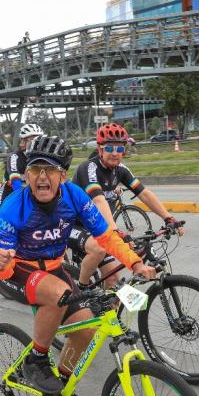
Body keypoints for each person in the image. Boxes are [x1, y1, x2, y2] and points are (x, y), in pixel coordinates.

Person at [0, 135, 155, 396]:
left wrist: (135, 263)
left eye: (50, 170)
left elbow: (106, 237)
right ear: (27, 175)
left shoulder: (74, 196)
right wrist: (1, 261)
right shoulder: (14, 205)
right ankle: (37, 359)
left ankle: (59, 390)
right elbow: (3, 256)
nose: (42, 177)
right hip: (17, 269)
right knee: (59, 294)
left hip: (53, 267)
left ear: (63, 175)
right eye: (35, 169)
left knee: (85, 329)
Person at [69, 123, 182, 289]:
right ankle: (82, 290)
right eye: (109, 148)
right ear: (100, 149)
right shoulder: (88, 168)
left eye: (120, 149)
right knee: (100, 249)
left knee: (113, 278)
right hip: (73, 224)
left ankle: (110, 314)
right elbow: (99, 200)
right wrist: (115, 232)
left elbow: (144, 193)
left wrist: (168, 217)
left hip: (96, 227)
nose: (115, 153)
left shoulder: (120, 169)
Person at [0, 123, 44, 209]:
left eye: (39, 140)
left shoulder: (40, 158)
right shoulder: (14, 157)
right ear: (23, 142)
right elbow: (15, 183)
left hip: (28, 191)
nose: (37, 143)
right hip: (8, 193)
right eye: (33, 140)